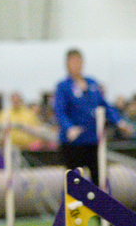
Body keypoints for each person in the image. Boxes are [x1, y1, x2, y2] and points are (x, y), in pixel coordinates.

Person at [53, 48, 132, 186]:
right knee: (75, 182)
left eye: (78, 61)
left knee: (99, 178)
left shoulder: (92, 83)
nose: (76, 65)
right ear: (67, 64)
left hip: (94, 141)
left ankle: (100, 206)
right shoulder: (63, 86)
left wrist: (119, 121)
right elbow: (60, 111)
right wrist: (69, 128)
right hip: (73, 143)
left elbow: (104, 105)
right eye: (72, 62)